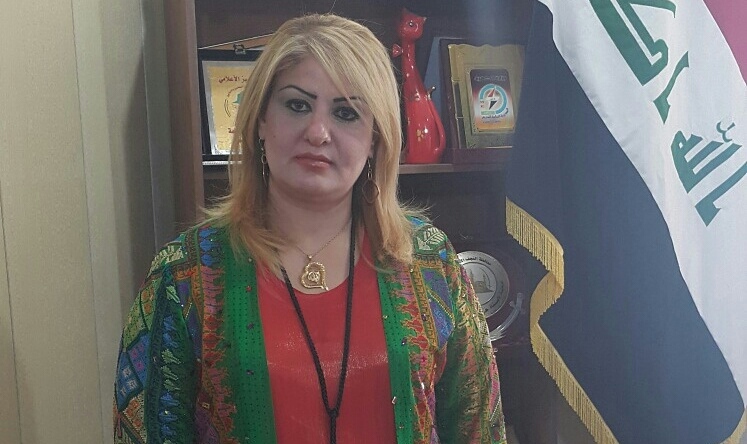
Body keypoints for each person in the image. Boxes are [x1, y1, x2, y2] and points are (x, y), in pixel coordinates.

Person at [113, 13, 506, 444]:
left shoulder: (431, 261)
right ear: (260, 120)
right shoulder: (185, 275)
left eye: (346, 113)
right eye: (297, 105)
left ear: (376, 139)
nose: (318, 133)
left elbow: (478, 429)